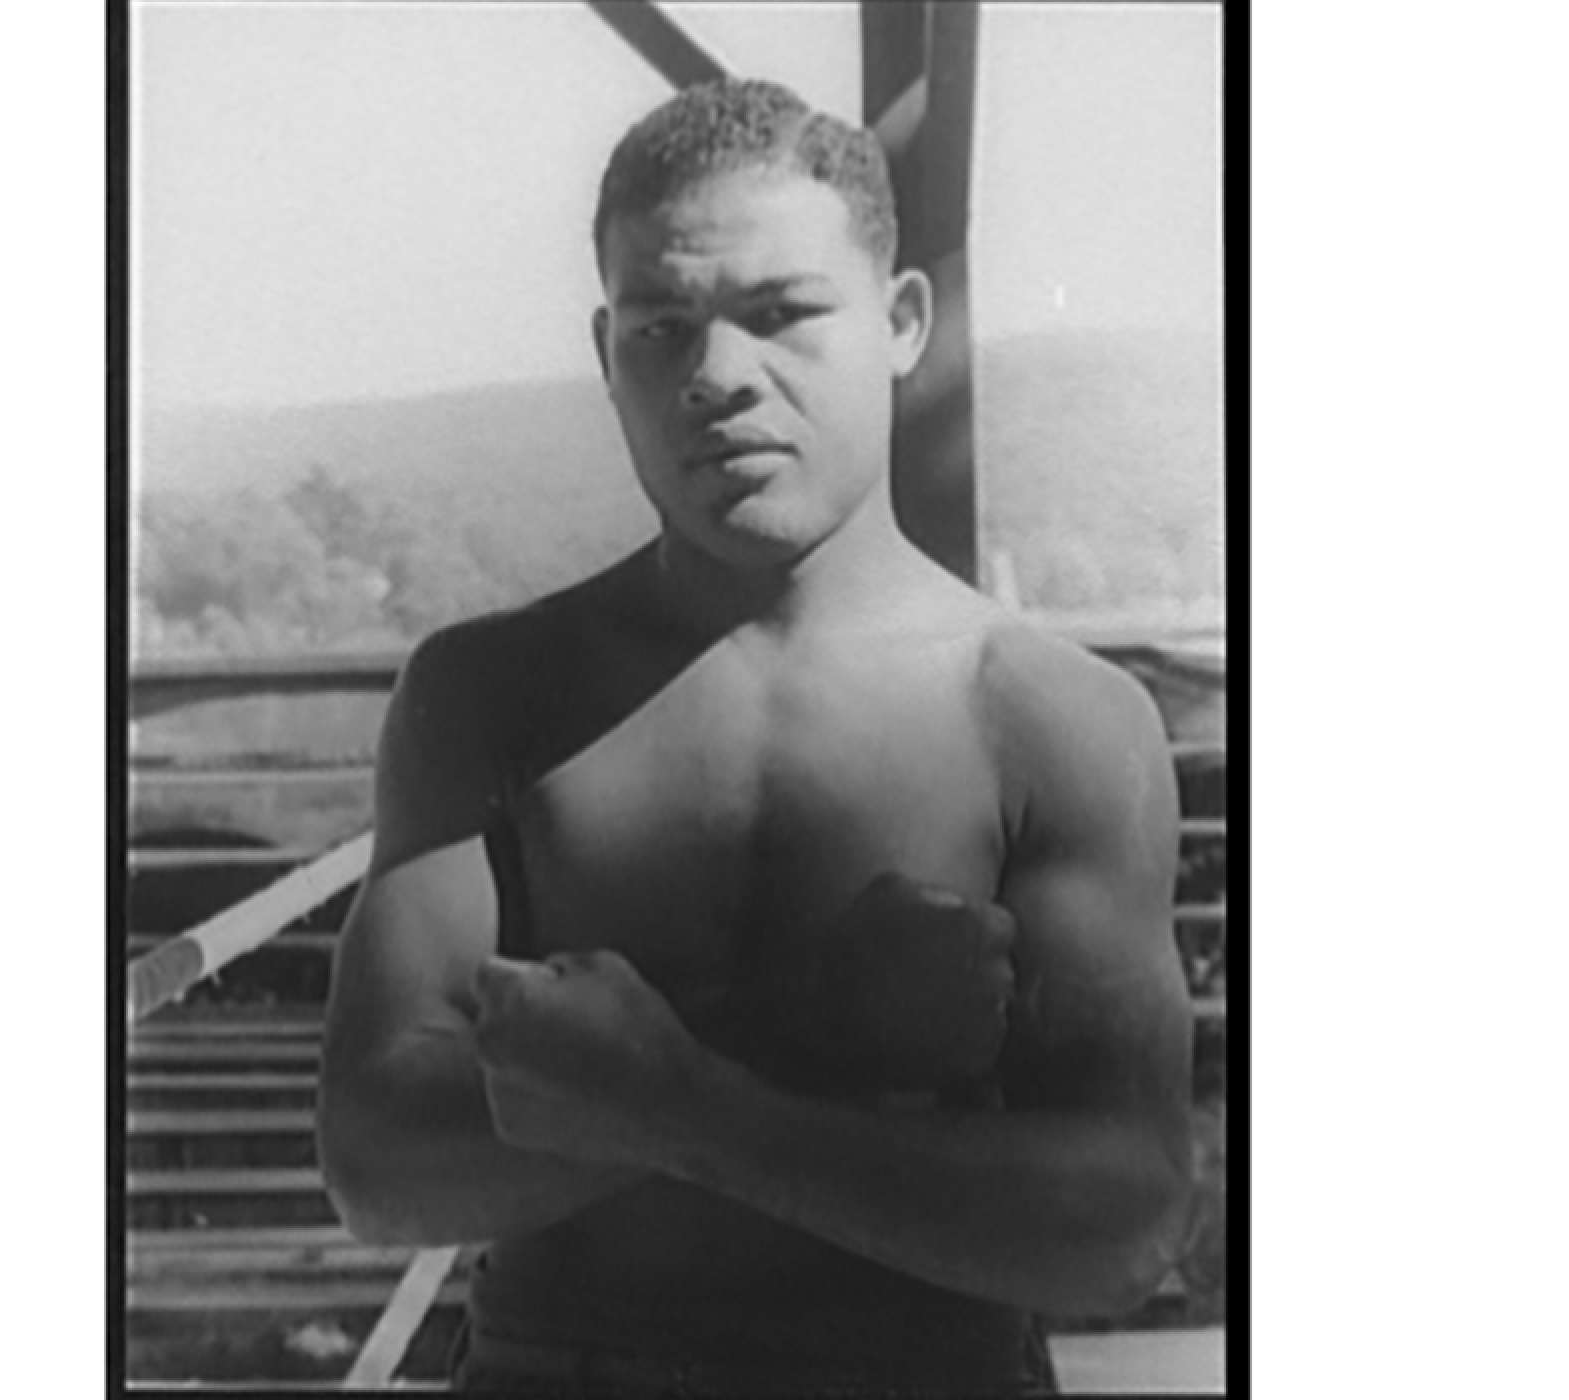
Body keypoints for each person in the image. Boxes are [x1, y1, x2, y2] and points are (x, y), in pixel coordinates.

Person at [317, 77, 1193, 1396]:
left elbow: (1122, 1225)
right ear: (607, 351)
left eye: (781, 314)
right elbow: (378, 1163)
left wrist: (662, 1095)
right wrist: (807, 1030)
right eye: (662, 329)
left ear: (902, 322)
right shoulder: (492, 694)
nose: (719, 377)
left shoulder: (1054, 721)